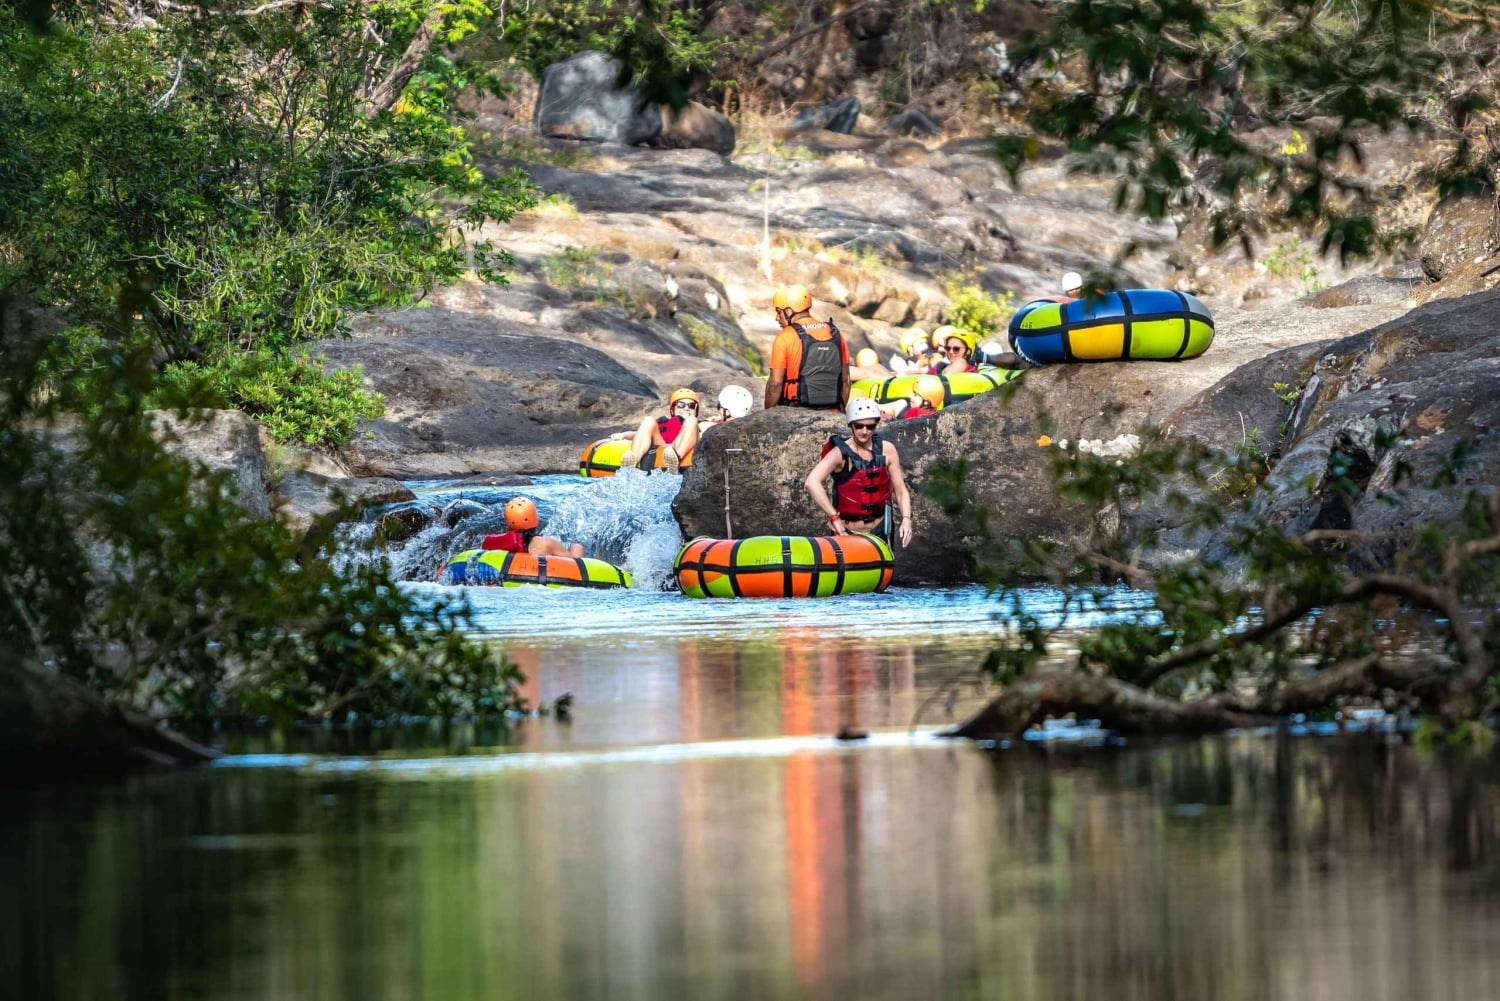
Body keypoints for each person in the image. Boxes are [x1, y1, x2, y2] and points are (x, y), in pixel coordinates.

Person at [804, 398, 913, 548]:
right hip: (847, 532)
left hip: (880, 529)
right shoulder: (839, 454)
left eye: (870, 427)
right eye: (859, 426)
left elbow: (900, 491)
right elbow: (811, 482)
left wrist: (906, 519)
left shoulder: (887, 450)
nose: (864, 431)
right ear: (851, 425)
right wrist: (833, 516)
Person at [764, 285, 850, 411]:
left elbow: (775, 383)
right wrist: (840, 412)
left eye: (778, 312)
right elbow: (846, 381)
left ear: (788, 311)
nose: (777, 318)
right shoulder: (835, 333)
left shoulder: (785, 336)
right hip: (833, 411)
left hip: (796, 411)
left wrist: (767, 415)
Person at [613, 387, 700, 472]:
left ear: (696, 411)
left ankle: (676, 459)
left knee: (692, 420)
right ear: (672, 410)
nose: (686, 408)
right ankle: (633, 460)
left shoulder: (697, 424)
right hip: (662, 445)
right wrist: (623, 435)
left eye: (692, 406)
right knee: (649, 420)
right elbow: (640, 434)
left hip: (678, 447)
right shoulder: (663, 422)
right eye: (681, 405)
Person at [482, 497, 585, 558]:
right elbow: (571, 562)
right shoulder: (545, 543)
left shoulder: (499, 541)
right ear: (534, 518)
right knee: (577, 547)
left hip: (513, 575)